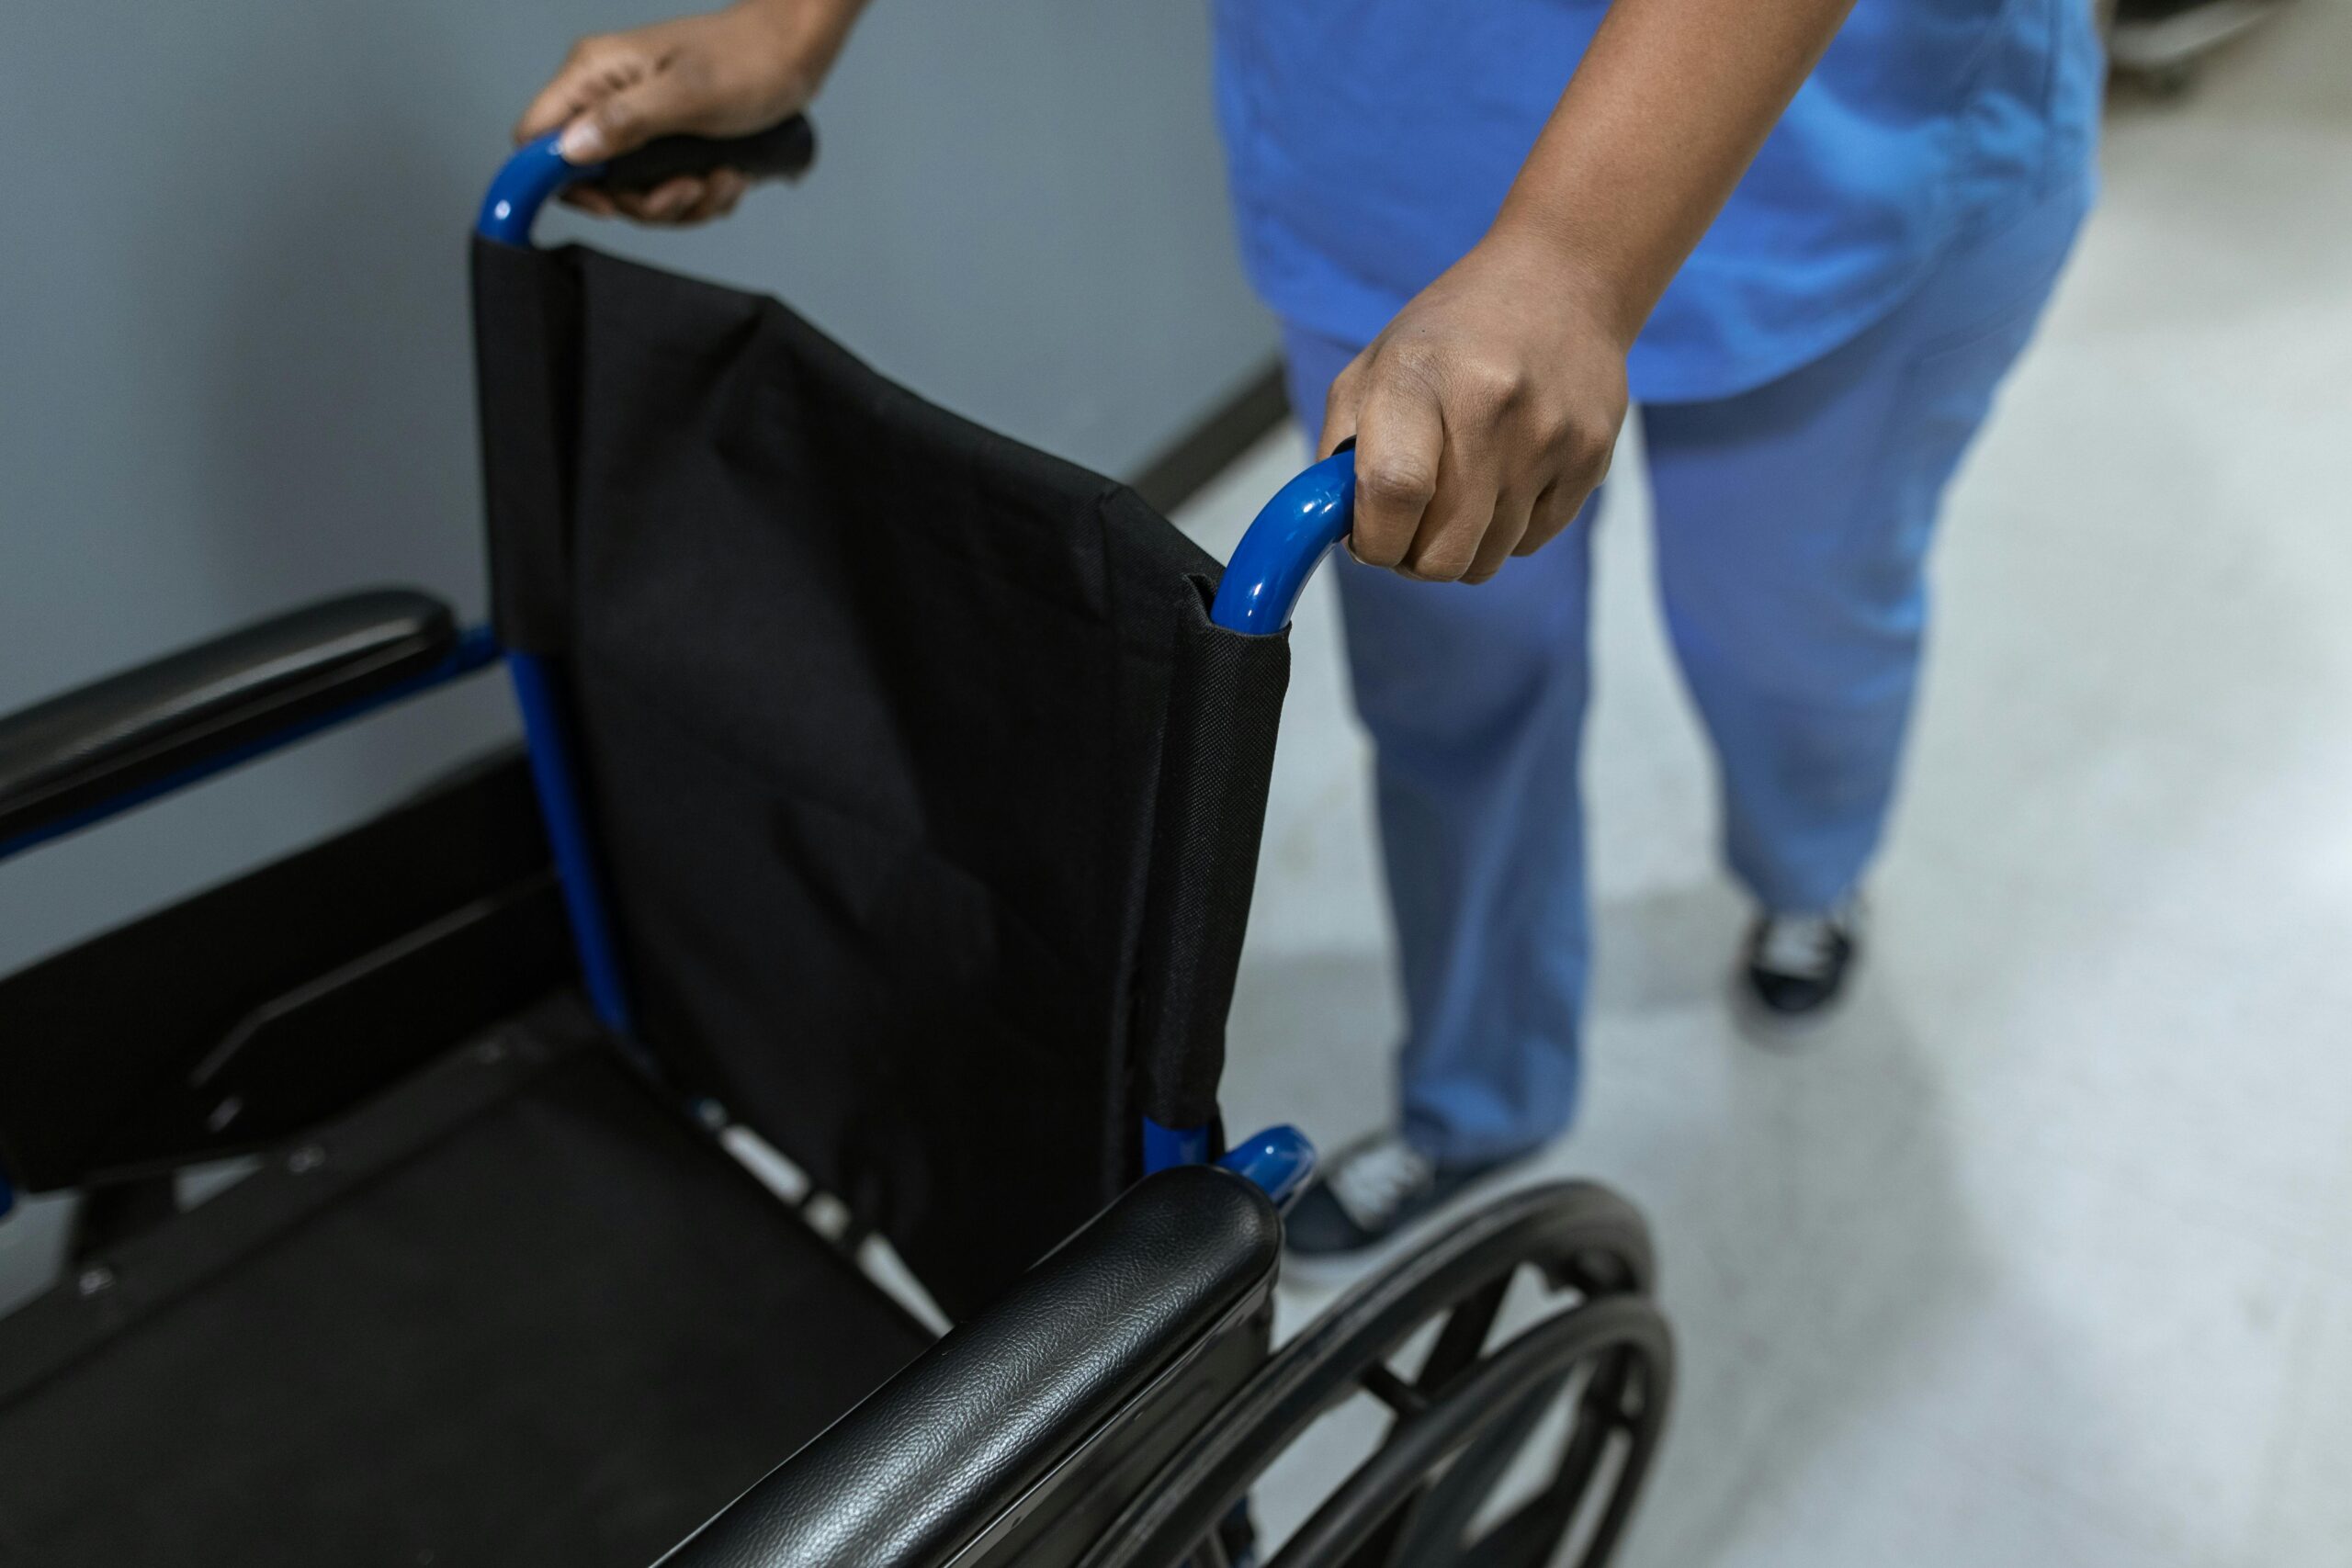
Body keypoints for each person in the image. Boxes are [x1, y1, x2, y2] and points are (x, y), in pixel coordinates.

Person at [514, 0, 2101, 1258]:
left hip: (1851, 129)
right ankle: (1482, 1091)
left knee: (1793, 641)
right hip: (1393, 148)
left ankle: (1807, 876)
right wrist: (794, 27)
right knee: (1451, 701)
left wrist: (1568, 255)